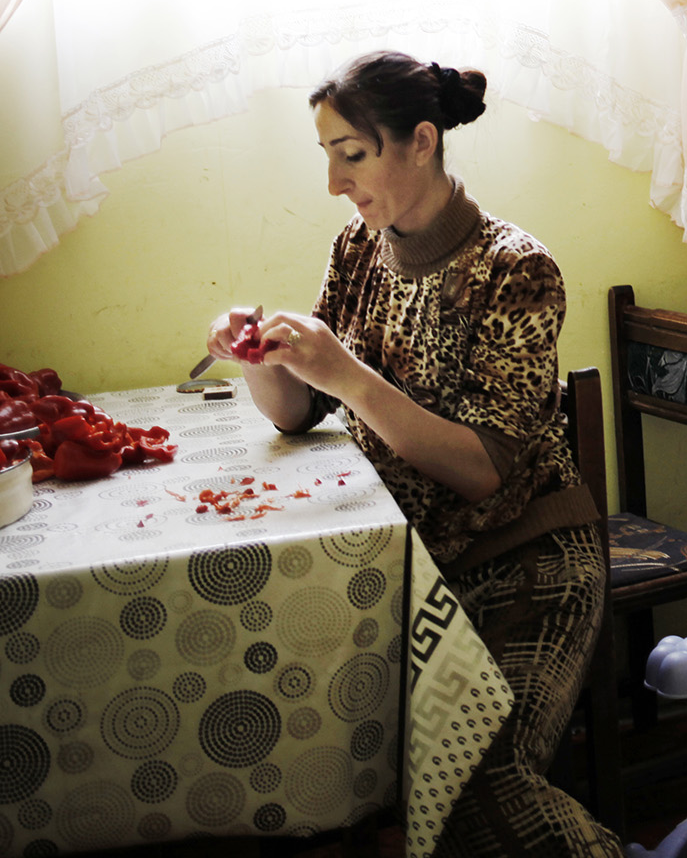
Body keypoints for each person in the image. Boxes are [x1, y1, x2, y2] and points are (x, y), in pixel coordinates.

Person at [205, 50, 622, 858]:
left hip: (528, 562)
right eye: (327, 157)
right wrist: (262, 358)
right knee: (321, 745)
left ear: (421, 141)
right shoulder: (359, 249)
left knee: (475, 791)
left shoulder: (517, 268)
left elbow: (483, 468)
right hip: (415, 567)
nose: (335, 183)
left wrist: (351, 377)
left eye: (352, 156)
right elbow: (297, 415)